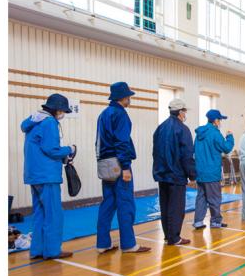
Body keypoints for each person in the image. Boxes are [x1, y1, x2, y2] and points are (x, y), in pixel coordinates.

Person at [96, 82, 151, 254]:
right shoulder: (120, 114)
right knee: (125, 204)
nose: (130, 99)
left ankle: (102, 243)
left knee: (108, 203)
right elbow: (121, 141)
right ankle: (128, 244)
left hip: (104, 163)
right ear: (123, 97)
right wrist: (125, 167)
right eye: (129, 96)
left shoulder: (103, 114)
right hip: (119, 164)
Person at [21, 94, 76, 259]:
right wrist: (70, 149)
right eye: (63, 111)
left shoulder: (34, 121)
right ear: (57, 109)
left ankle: (37, 250)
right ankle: (52, 251)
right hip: (47, 175)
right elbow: (51, 149)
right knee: (53, 214)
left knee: (39, 214)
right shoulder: (50, 122)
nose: (63, 114)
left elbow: (41, 147)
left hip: (34, 175)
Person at [153, 99, 196, 245]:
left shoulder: (160, 128)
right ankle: (174, 237)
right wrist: (192, 175)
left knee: (165, 207)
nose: (185, 114)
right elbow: (187, 155)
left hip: (162, 174)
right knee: (176, 208)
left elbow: (155, 152)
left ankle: (168, 235)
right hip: (176, 174)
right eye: (184, 111)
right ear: (180, 112)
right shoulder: (183, 129)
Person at [193, 109, 234, 229]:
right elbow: (226, 148)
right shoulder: (215, 134)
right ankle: (215, 221)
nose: (220, 122)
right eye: (220, 120)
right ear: (216, 121)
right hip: (211, 172)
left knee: (201, 197)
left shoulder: (199, 134)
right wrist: (230, 137)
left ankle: (198, 221)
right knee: (214, 198)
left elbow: (194, 151)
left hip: (200, 171)